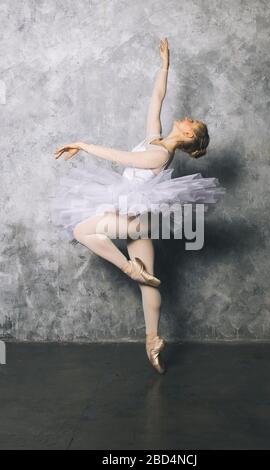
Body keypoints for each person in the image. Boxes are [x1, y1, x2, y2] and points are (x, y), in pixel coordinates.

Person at [52, 38, 225, 374]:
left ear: (190, 137)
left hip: (134, 218)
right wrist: (165, 66)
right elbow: (156, 99)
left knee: (81, 230)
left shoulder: (160, 153)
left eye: (193, 123)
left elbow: (123, 157)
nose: (188, 118)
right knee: (149, 281)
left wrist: (83, 143)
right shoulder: (155, 138)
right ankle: (153, 339)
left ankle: (129, 267)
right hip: (138, 218)